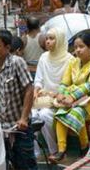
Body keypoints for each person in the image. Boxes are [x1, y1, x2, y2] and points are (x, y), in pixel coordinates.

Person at [51, 33, 90, 162]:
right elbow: (65, 81)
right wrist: (61, 93)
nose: (77, 50)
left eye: (81, 46)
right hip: (73, 100)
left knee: (77, 112)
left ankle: (84, 147)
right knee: (60, 113)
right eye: (76, 47)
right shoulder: (73, 62)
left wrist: (72, 97)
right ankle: (61, 150)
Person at [0, 30, 36, 169]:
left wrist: (24, 118)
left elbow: (29, 89)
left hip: (19, 126)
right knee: (2, 164)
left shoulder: (17, 62)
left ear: (8, 48)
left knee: (26, 164)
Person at [33, 28, 74, 156]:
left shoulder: (70, 60)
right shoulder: (43, 57)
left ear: (60, 40)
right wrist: (36, 90)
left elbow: (71, 85)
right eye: (47, 39)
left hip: (60, 100)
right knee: (31, 114)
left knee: (44, 115)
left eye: (52, 38)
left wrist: (55, 94)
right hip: (43, 98)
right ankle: (35, 151)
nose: (48, 42)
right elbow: (38, 79)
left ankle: (53, 150)